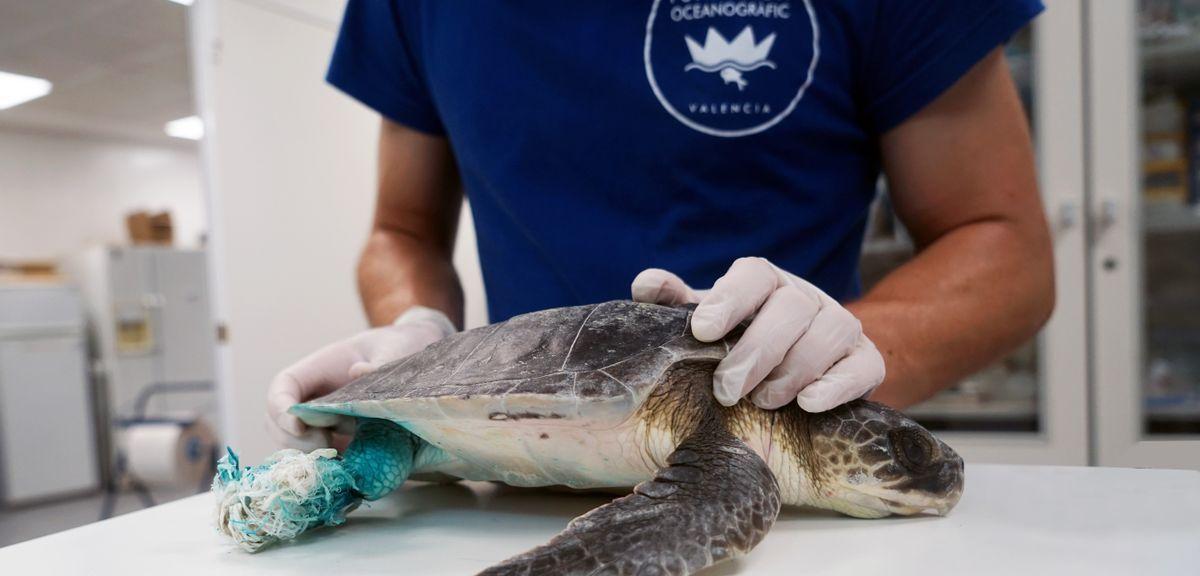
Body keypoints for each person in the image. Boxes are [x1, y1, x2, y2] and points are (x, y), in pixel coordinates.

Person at [268, 0, 1054, 449]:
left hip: (786, 458)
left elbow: (1002, 242)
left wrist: (839, 349)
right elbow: (400, 230)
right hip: (525, 460)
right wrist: (420, 330)